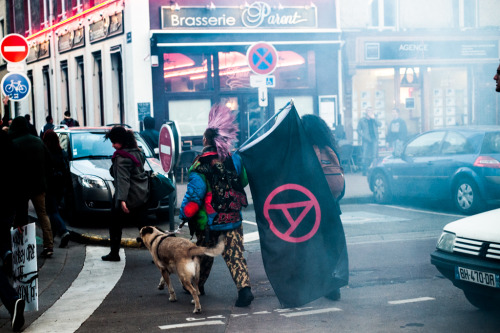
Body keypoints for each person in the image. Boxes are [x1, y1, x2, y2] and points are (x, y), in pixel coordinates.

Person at [179, 104, 254, 307]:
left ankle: (197, 286)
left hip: (208, 222)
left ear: (205, 140)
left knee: (204, 255)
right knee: (235, 255)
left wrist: (183, 214)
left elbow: (194, 198)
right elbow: (244, 181)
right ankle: (244, 290)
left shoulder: (199, 165)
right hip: (233, 217)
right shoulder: (234, 159)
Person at [301, 114, 347, 301]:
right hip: (332, 207)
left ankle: (311, 283)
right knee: (331, 244)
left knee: (310, 245)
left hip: (312, 207)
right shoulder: (329, 149)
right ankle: (332, 285)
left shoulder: (305, 150)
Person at [9, 116, 55, 258]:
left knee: (21, 216)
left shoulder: (14, 143)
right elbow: (49, 163)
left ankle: (22, 245)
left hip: (21, 186)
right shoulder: (38, 141)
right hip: (39, 184)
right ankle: (48, 245)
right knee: (42, 214)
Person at [102, 126, 149, 261]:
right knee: (145, 228)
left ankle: (114, 253)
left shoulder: (121, 157)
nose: (112, 145)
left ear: (121, 141)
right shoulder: (137, 152)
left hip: (128, 197)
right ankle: (160, 253)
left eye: (114, 142)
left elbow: (123, 180)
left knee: (115, 225)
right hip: (142, 195)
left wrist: (121, 200)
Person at [42, 130, 71, 248]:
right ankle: (52, 237)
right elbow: (66, 170)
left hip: (50, 185)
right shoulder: (62, 152)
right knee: (55, 211)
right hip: (61, 186)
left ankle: (63, 231)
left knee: (52, 211)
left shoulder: (46, 153)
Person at [357, 107, 381, 175]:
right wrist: (363, 135)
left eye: (371, 111)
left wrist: (374, 118)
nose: (370, 112)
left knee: (374, 155)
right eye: (368, 111)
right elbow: (358, 130)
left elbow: (380, 124)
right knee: (364, 155)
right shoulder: (362, 120)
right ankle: (364, 171)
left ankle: (373, 171)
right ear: (366, 112)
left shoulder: (375, 119)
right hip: (366, 140)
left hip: (374, 139)